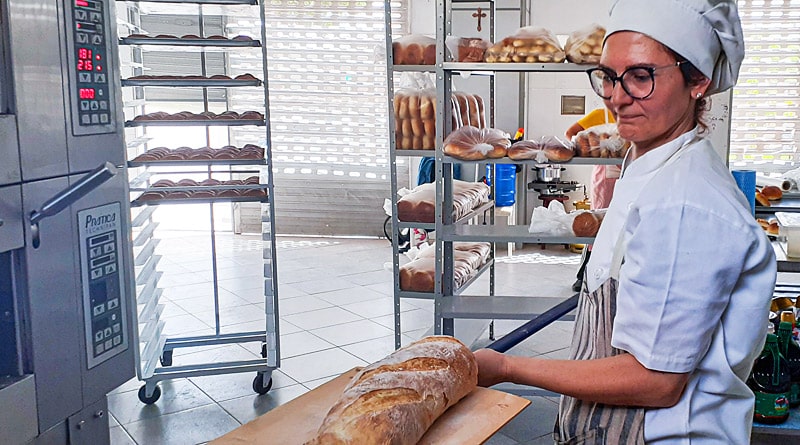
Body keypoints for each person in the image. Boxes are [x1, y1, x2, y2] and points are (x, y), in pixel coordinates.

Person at [474, 1, 777, 443]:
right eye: (609, 76)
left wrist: (506, 367)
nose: (616, 96)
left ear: (698, 81)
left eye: (641, 76)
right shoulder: (649, 158)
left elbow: (655, 380)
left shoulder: (687, 202)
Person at [566, 108, 619, 292]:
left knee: (621, 224)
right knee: (597, 225)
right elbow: (570, 133)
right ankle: (585, 274)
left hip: (629, 172)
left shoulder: (636, 114)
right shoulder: (600, 115)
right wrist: (586, 149)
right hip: (605, 177)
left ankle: (614, 275)